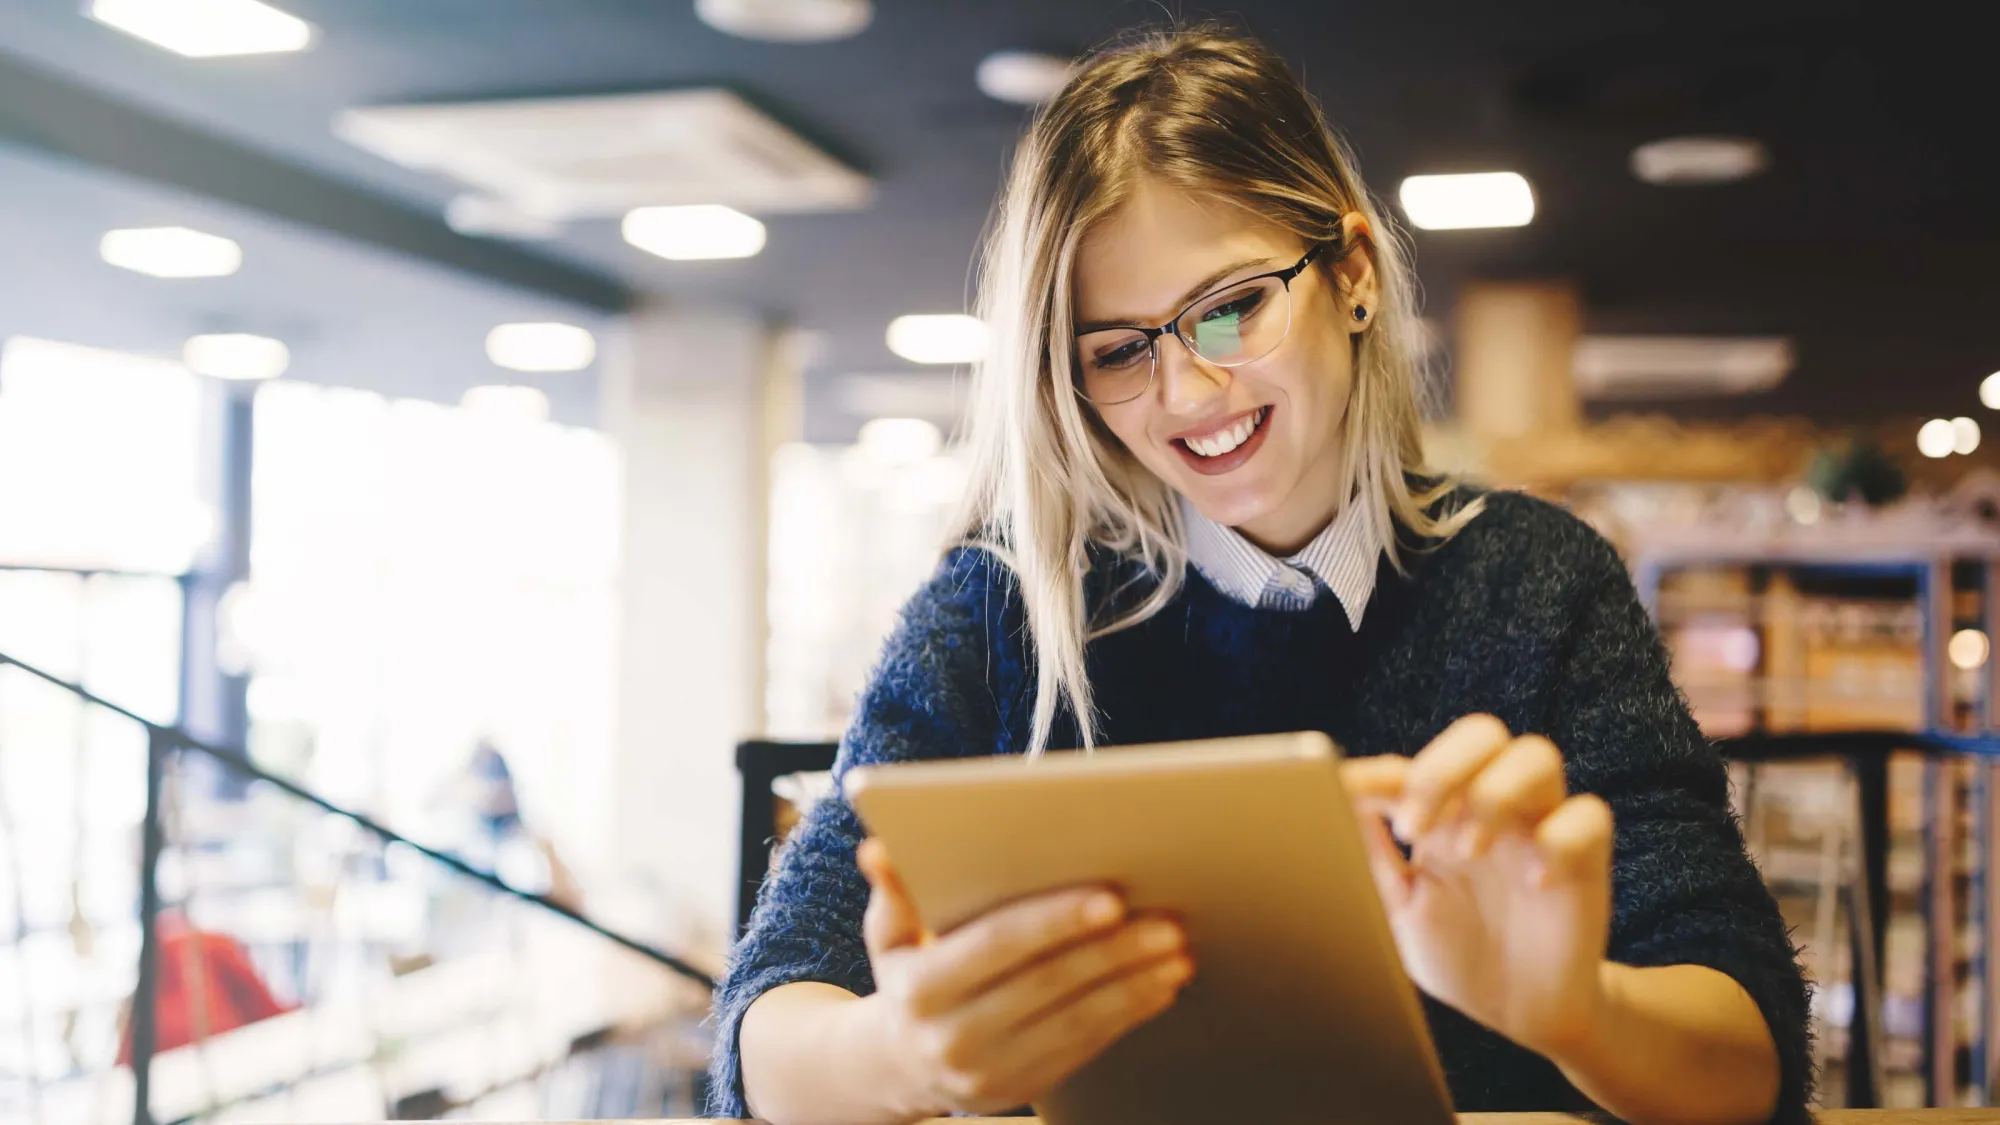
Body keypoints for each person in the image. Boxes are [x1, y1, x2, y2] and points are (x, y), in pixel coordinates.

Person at [711, 25, 1809, 1125]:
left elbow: (1744, 1055)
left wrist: (1576, 1011)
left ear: (1352, 276)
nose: (1188, 395)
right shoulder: (1002, 605)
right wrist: (903, 1055)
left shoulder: (1535, 581)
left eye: (1230, 307)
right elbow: (770, 1024)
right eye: (1118, 350)